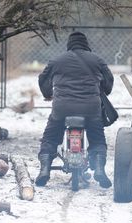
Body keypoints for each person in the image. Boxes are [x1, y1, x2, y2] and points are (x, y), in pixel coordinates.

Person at [36, 31, 114, 188]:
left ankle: (44, 169)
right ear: (86, 44)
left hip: (62, 108)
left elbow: (42, 78)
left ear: (69, 45)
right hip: (91, 108)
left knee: (50, 137)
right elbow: (109, 81)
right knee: (97, 139)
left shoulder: (57, 60)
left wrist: (48, 94)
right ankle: (99, 168)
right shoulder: (97, 60)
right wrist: (103, 90)